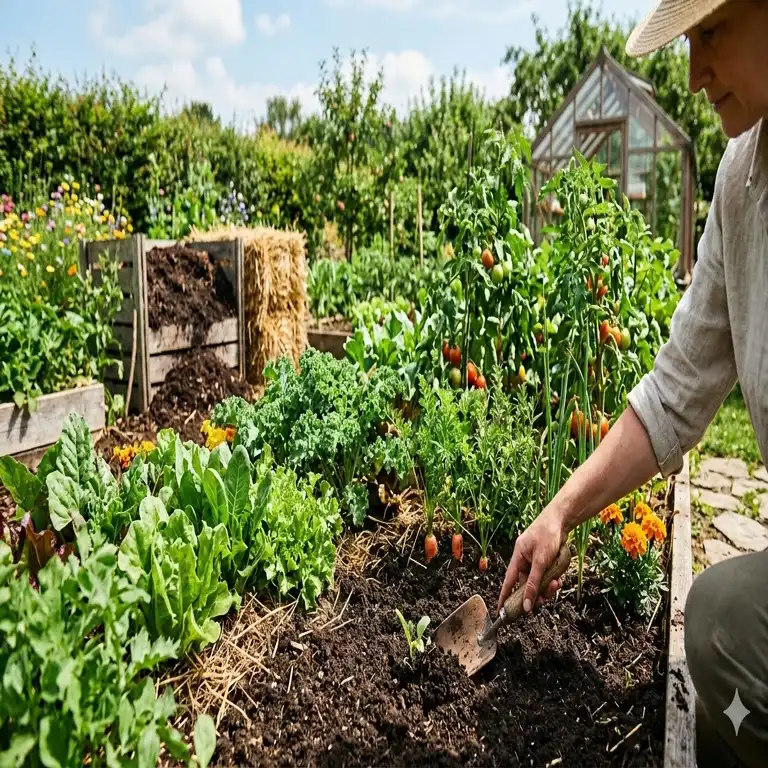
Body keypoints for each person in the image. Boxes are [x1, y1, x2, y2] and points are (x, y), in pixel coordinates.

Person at [497, 1, 768, 766]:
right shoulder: (743, 179)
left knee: (718, 627)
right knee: (719, 662)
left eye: (711, 33)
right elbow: (674, 393)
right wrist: (560, 513)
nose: (693, 72)